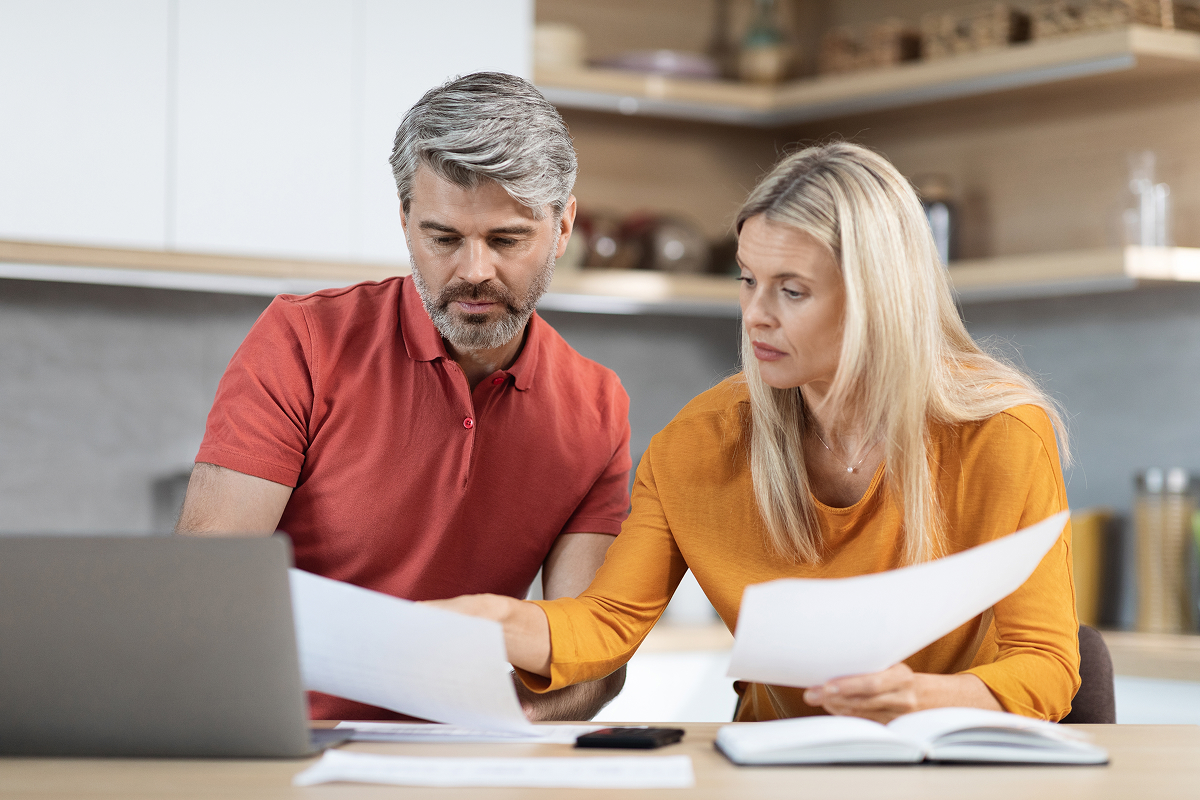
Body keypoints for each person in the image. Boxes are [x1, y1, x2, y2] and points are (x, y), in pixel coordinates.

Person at [430, 142, 1081, 724]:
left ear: (880, 299)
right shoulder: (699, 442)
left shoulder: (1000, 434)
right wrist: (494, 621)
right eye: (748, 281)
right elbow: (607, 623)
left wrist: (919, 697)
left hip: (948, 765)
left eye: (792, 291)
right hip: (772, 769)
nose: (756, 317)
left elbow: (1047, 668)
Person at [175, 72, 630, 722]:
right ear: (405, 221)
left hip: (462, 751)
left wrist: (488, 720)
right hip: (282, 742)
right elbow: (203, 587)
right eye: (443, 238)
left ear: (563, 228)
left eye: (506, 240)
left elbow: (592, 655)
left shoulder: (597, 408)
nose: (474, 271)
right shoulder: (303, 341)